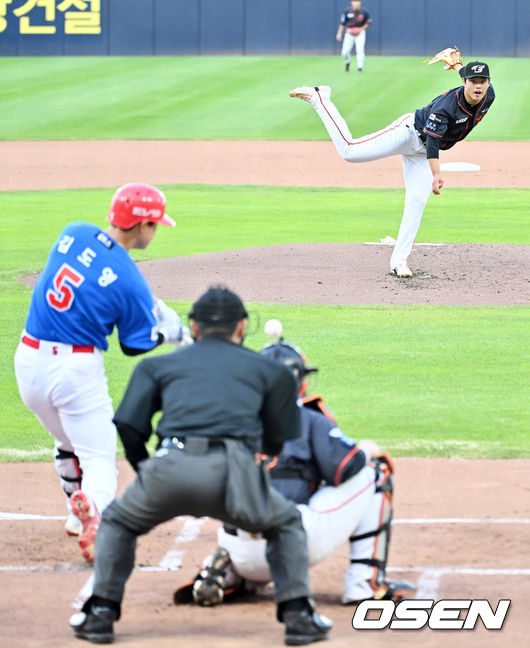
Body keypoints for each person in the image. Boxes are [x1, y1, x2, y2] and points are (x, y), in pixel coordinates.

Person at [68, 286, 332, 646]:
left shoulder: (158, 365)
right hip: (234, 471)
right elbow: (279, 439)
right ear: (241, 327)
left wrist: (147, 468)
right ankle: (299, 616)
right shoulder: (271, 371)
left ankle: (100, 612)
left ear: (193, 326)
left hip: (169, 467)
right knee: (284, 523)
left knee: (117, 521)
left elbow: (129, 426)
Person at [174, 333, 416, 607]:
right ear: (298, 381)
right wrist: (364, 450)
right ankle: (364, 584)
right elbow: (349, 467)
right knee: (376, 470)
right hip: (291, 545)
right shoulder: (307, 418)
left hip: (236, 542)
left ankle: (230, 571)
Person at [14, 183, 185, 562]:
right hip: (74, 371)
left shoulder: (73, 233)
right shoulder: (131, 282)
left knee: (69, 440)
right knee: (100, 459)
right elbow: (134, 344)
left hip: (27, 362)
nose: (155, 232)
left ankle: (74, 515)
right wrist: (166, 330)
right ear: (140, 225)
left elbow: (92, 275)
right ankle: (93, 513)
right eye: (154, 225)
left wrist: (148, 303)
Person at [288, 58, 495, 277]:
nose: (478, 86)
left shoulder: (487, 95)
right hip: (407, 134)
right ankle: (320, 99)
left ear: (489, 83)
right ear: (465, 82)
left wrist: (456, 66)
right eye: (473, 81)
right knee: (350, 151)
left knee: (417, 202)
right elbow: (433, 143)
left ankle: (399, 261)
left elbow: (468, 78)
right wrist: (437, 174)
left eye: (482, 81)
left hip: (421, 153)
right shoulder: (446, 107)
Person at [336, 0, 372, 73]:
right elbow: (342, 23)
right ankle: (347, 62)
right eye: (354, 1)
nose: (356, 3)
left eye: (357, 1)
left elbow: (368, 22)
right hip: (349, 33)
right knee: (345, 52)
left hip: (360, 33)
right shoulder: (347, 11)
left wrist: (360, 29)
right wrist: (339, 33)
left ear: (360, 2)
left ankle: (360, 68)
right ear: (352, 2)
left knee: (360, 50)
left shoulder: (364, 12)